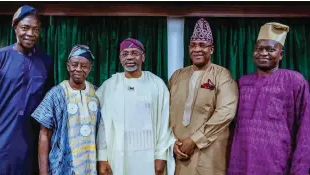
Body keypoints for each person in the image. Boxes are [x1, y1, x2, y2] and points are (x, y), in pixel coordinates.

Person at [0, 5, 53, 175]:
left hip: (29, 143)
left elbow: (46, 101)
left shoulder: (45, 62)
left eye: (35, 29)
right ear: (15, 27)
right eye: (25, 28)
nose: (30, 34)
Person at [228, 22, 310, 174]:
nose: (263, 53)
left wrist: (300, 170)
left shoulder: (294, 81)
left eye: (270, 49)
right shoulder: (243, 82)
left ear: (281, 54)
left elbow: (306, 129)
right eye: (259, 49)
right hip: (241, 164)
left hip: (277, 165)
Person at [168, 18, 239, 175]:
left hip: (208, 153)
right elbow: (165, 112)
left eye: (202, 45)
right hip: (178, 153)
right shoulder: (177, 76)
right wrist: (171, 142)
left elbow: (225, 112)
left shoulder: (222, 75)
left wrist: (194, 140)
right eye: (193, 45)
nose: (197, 49)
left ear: (212, 49)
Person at [96, 38, 176, 175]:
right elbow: (102, 124)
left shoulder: (157, 84)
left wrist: (161, 156)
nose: (130, 57)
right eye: (125, 54)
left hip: (149, 157)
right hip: (117, 156)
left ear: (143, 57)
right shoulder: (109, 86)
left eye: (134, 53)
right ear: (120, 58)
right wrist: (102, 157)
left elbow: (165, 123)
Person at [31, 45, 100, 175]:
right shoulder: (56, 94)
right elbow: (44, 134)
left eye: (84, 66)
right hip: (62, 167)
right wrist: (43, 172)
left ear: (90, 68)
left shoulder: (97, 94)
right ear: (68, 66)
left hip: (91, 166)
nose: (78, 69)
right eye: (74, 65)